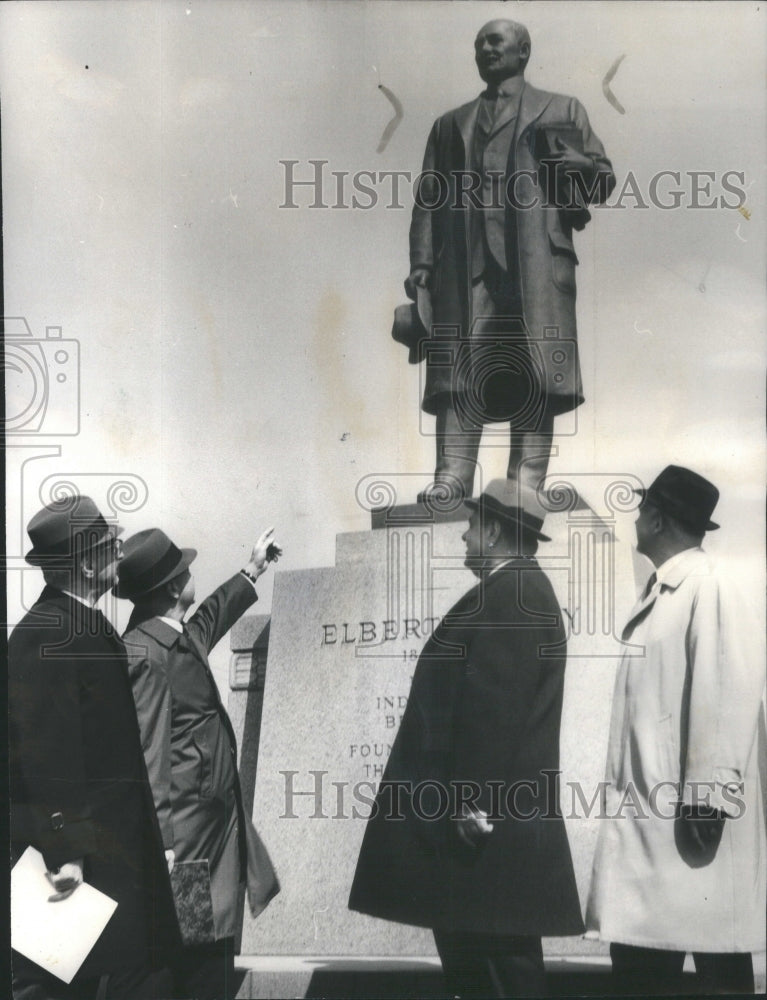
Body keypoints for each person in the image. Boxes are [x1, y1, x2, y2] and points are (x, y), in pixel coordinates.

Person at [349, 479, 583, 998]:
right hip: (483, 832)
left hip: (484, 834)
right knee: (486, 971)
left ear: (495, 531)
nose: (464, 536)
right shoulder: (513, 589)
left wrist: (471, 801)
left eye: (473, 525)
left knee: (500, 975)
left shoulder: (513, 594)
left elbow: (494, 711)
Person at [407, 19, 615, 506]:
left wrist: (584, 167)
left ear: (523, 52)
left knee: (536, 373)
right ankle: (451, 479)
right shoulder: (448, 124)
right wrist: (421, 266)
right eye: (478, 42)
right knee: (460, 372)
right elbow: (427, 201)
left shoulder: (562, 108)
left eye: (494, 41)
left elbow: (603, 178)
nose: (483, 48)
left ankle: (525, 482)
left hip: (536, 268)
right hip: (466, 271)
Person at [585, 465, 766, 995]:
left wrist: (706, 799)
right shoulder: (667, 590)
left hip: (688, 824)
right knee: (647, 959)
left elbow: (726, 689)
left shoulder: (708, 586)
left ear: (659, 520)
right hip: (656, 830)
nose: (636, 518)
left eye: (643, 509)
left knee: (715, 964)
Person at [9, 495, 179, 1000]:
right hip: (74, 874)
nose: (120, 552)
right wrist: (68, 852)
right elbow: (48, 757)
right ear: (86, 562)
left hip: (108, 864)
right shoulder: (47, 634)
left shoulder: (79, 624)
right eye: (112, 545)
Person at [117, 526, 282, 1000]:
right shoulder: (144, 654)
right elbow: (149, 754)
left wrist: (251, 569)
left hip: (209, 836)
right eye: (185, 569)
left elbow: (208, 618)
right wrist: (163, 845)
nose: (192, 573)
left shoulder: (172, 636)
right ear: (172, 587)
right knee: (198, 965)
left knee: (213, 953)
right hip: (185, 850)